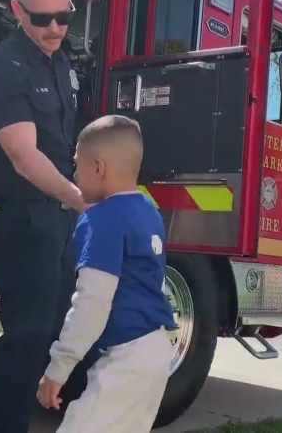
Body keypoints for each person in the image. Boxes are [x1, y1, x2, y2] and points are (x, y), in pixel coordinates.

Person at [0, 0, 88, 433]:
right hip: (19, 221)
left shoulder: (60, 61)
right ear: (18, 10)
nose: (55, 28)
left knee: (62, 331)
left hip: (58, 220)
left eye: (64, 16)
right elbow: (24, 156)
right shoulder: (5, 66)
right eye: (42, 19)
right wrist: (84, 200)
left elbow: (64, 145)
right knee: (27, 335)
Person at [37, 115, 177, 432]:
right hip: (154, 350)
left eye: (77, 166)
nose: (73, 174)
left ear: (98, 168)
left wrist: (58, 369)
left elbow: (92, 302)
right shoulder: (147, 209)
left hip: (127, 357)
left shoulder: (101, 219)